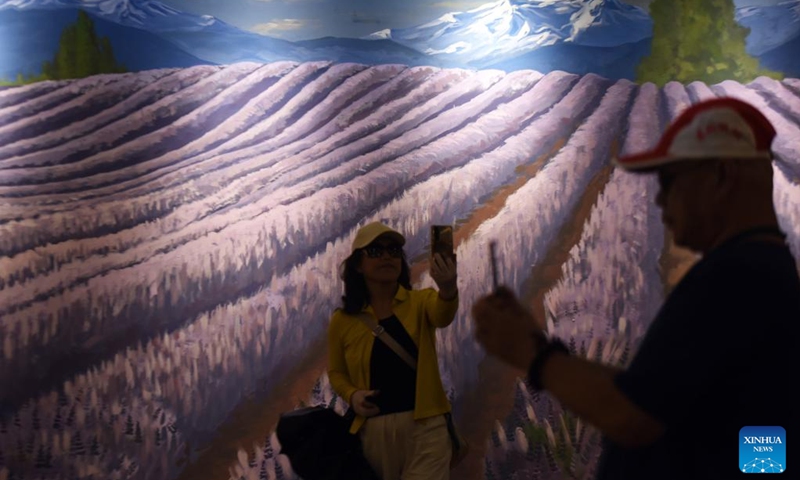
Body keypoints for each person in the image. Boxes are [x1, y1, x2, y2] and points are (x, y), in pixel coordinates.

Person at [471, 97, 800, 479]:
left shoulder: (733, 278)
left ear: (721, 176)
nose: (659, 199)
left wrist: (531, 354)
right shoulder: (763, 271)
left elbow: (634, 417)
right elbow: (666, 403)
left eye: (670, 180)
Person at [327, 221, 459, 480]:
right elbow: (336, 371)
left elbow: (443, 314)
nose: (387, 256)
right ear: (357, 264)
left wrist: (448, 287)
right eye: (376, 251)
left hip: (426, 428)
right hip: (372, 434)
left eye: (394, 250)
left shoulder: (421, 302)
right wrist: (352, 395)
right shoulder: (343, 321)